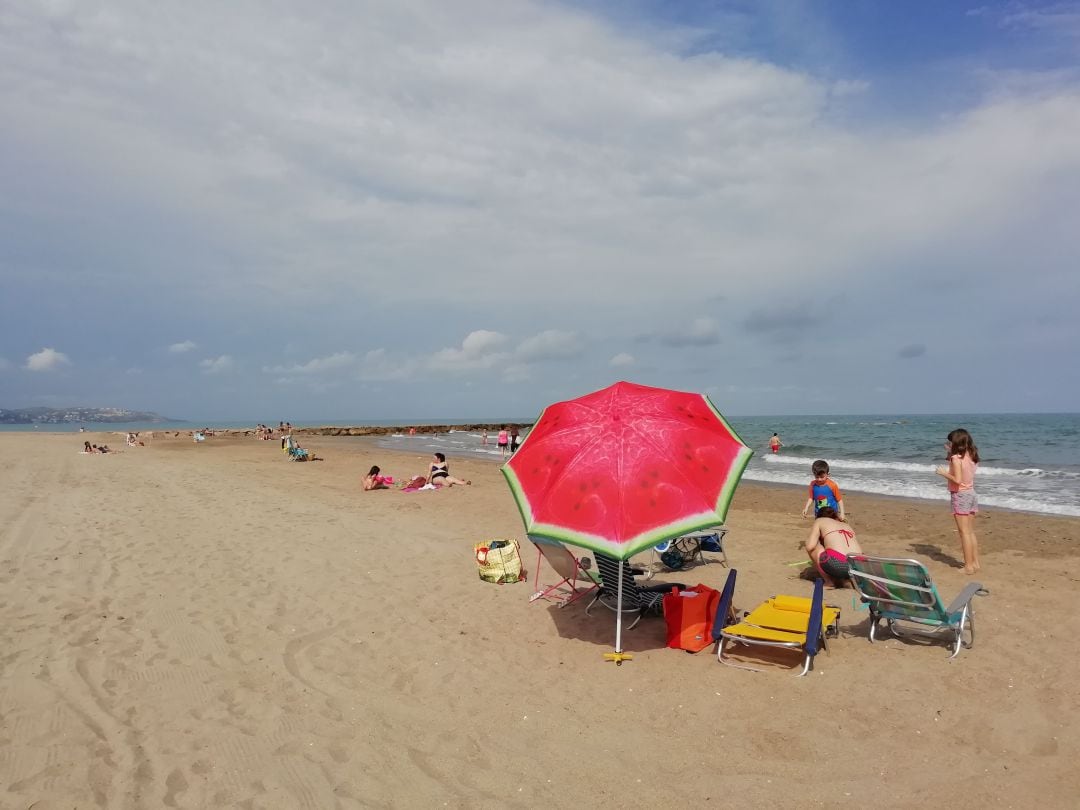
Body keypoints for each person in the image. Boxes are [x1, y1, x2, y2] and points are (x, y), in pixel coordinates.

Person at [936, 428, 980, 574]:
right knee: (970, 531)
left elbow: (958, 479)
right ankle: (975, 563)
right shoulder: (970, 454)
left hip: (960, 495)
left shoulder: (956, 458)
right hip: (971, 493)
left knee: (964, 532)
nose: (948, 443)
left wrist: (943, 473)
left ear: (955, 443)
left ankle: (968, 566)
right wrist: (950, 453)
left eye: (950, 441)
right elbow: (961, 468)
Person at [804, 507, 862, 588]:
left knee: (813, 546)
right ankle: (847, 580)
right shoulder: (846, 525)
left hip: (838, 565)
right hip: (858, 567)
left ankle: (829, 582)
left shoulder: (820, 521)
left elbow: (810, 546)